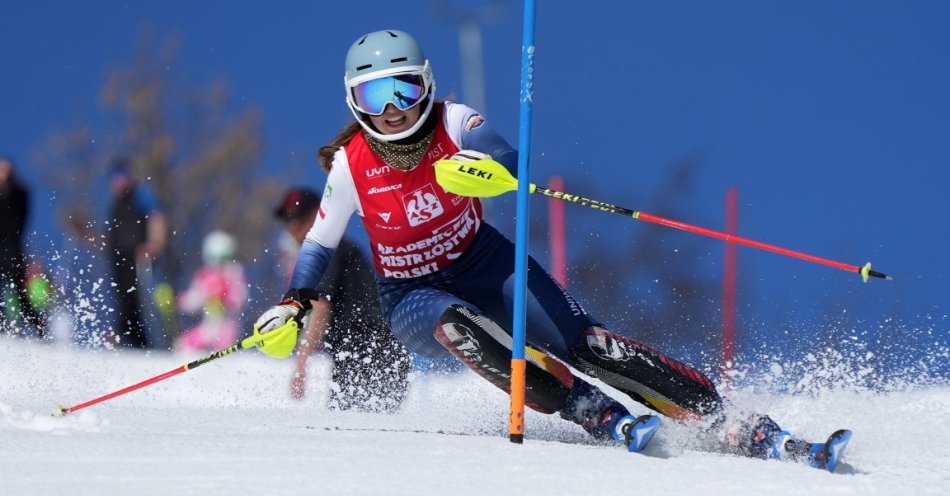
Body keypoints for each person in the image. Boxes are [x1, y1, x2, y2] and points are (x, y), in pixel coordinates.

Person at [251, 29, 828, 462]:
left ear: (426, 85)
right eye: (375, 95)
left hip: (483, 260)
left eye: (404, 88)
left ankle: (727, 420)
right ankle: (588, 409)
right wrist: (294, 301)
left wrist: (488, 169)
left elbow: (508, 159)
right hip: (411, 295)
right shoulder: (352, 165)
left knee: (589, 345)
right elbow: (320, 243)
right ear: (355, 103)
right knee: (458, 325)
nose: (394, 108)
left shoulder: (455, 121)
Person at [274, 187, 410, 412]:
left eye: (298, 218)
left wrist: (300, 365)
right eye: (287, 220)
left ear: (318, 215)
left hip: (371, 353)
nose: (291, 227)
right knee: (355, 430)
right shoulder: (331, 249)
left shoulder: (327, 248)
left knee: (350, 429)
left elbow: (321, 307)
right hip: (371, 353)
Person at [106, 158, 166, 349]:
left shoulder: (140, 197)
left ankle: (145, 343)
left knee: (138, 300)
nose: (120, 180)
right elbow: (109, 239)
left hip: (139, 258)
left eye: (124, 175)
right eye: (116, 177)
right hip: (118, 259)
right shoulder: (115, 205)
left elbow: (156, 218)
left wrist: (154, 244)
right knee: (121, 298)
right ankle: (125, 339)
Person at [174, 230, 247, 352]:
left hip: (227, 328)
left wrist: (226, 300)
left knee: (223, 352)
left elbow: (240, 298)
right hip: (208, 326)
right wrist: (179, 301)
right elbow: (195, 299)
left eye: (225, 258)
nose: (220, 263)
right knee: (182, 346)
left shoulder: (234, 273)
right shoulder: (205, 276)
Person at [0, 156, 47, 338]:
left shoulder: (18, 193)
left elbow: (22, 216)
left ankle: (38, 326)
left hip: (12, 247)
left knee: (19, 290)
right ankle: (4, 324)